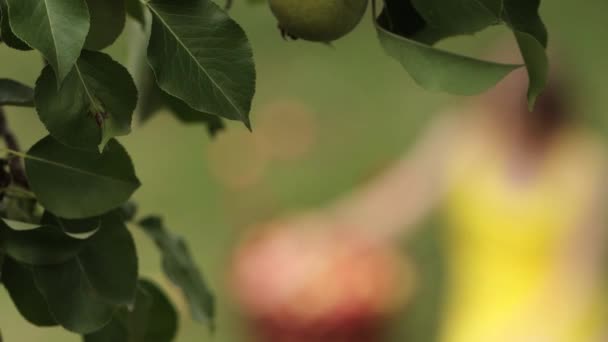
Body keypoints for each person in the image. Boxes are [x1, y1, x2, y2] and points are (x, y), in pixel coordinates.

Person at [236, 48, 608, 341]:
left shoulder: (585, 169)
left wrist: (532, 335)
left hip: (561, 329)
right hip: (477, 324)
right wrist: (314, 234)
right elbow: (393, 205)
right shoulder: (467, 144)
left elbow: (575, 279)